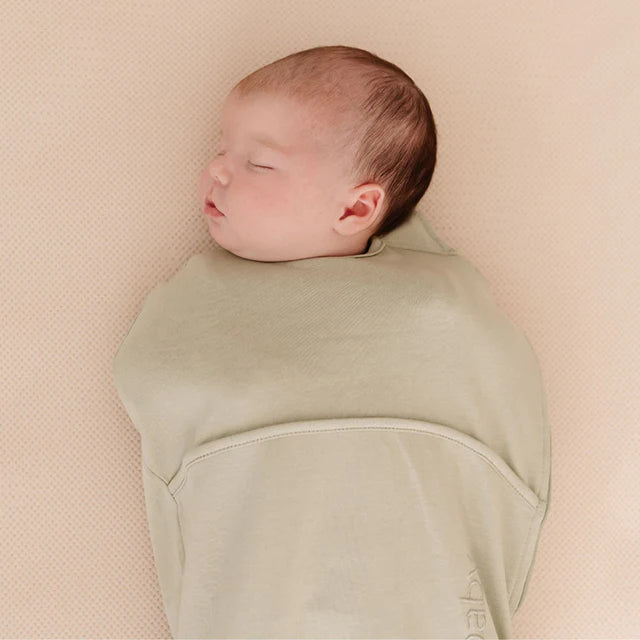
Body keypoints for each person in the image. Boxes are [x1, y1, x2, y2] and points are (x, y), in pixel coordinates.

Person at [196, 44, 437, 262]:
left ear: (353, 209)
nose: (216, 169)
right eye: (221, 152)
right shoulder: (203, 275)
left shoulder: (416, 285)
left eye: (259, 163)